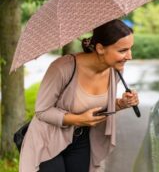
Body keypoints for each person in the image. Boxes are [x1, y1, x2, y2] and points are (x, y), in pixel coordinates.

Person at [19, 19, 139, 172]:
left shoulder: (115, 70)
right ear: (101, 48)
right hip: (48, 138)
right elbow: (42, 111)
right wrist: (79, 119)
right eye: (122, 50)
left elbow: (95, 107)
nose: (130, 56)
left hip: (81, 138)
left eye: (130, 49)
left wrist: (121, 103)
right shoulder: (62, 68)